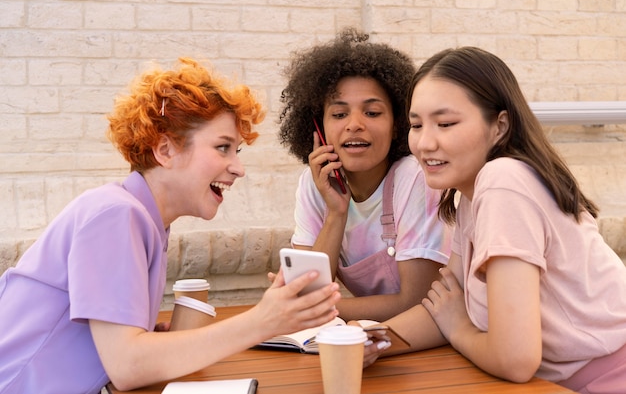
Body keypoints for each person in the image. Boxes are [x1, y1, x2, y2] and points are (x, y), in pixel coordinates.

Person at [0, 57, 342, 394]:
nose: (238, 168)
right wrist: (262, 321)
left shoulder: (143, 220)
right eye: (223, 148)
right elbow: (127, 368)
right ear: (165, 150)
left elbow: (123, 358)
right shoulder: (116, 215)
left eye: (236, 151)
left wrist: (157, 346)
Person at [363, 46, 626, 393]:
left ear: (499, 125)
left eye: (445, 124)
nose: (425, 143)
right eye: (415, 125)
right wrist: (372, 341)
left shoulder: (504, 181)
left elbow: (514, 360)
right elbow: (443, 307)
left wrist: (460, 330)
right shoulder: (470, 200)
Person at [277, 28, 451, 322]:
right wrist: (335, 212)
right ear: (318, 127)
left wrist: (305, 308)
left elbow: (416, 301)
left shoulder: (415, 178)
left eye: (372, 113)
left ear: (398, 124)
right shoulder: (314, 182)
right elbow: (307, 285)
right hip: (371, 340)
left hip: (431, 342)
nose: (354, 124)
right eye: (339, 114)